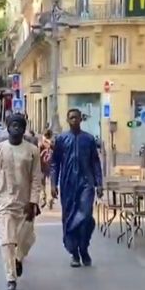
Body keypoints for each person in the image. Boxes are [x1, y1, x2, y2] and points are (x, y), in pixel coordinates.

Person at [0, 113, 42, 290]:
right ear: (8, 127)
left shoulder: (32, 151)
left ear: (24, 128)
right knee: (7, 241)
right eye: (13, 125)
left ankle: (18, 259)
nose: (16, 129)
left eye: (20, 126)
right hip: (4, 202)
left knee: (27, 238)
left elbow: (36, 178)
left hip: (25, 204)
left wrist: (34, 201)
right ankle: (11, 278)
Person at [51, 108, 103, 268]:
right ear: (68, 120)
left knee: (85, 216)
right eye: (71, 118)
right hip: (68, 184)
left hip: (86, 183)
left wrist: (99, 183)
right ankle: (75, 252)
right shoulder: (61, 139)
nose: (74, 120)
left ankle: (84, 247)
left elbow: (95, 162)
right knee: (69, 219)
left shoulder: (88, 139)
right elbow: (55, 163)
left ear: (81, 119)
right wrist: (53, 184)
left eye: (76, 117)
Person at [39, 129, 54, 209]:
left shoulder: (41, 144)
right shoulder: (52, 144)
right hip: (50, 167)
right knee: (48, 183)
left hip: (43, 167)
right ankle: (49, 199)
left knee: (43, 183)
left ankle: (44, 198)